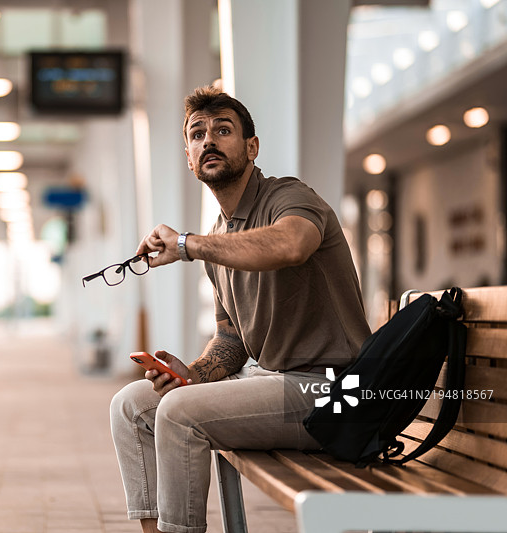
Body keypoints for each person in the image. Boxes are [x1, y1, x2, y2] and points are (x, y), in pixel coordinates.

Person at [109, 85, 371, 533]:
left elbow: (291, 244)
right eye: (197, 134)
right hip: (274, 383)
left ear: (251, 147)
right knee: (132, 405)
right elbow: (230, 340)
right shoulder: (219, 235)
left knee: (179, 414)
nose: (208, 140)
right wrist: (189, 375)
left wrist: (189, 246)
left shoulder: (289, 197)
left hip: (335, 392)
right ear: (189, 158)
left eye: (223, 130)